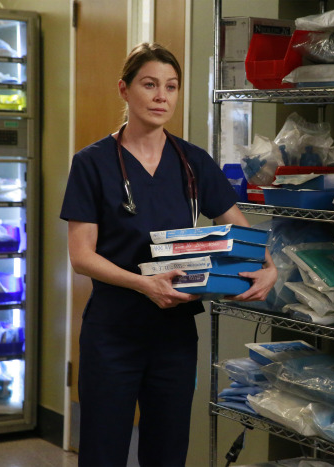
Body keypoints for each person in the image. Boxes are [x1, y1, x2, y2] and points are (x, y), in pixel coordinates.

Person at [60, 42, 277, 467]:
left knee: (167, 451)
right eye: (150, 84)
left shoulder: (193, 161)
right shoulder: (92, 163)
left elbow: (241, 232)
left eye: (171, 86)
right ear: (124, 90)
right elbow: (81, 256)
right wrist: (144, 284)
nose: (162, 96)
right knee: (103, 451)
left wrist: (268, 267)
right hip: (113, 332)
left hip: (174, 334)